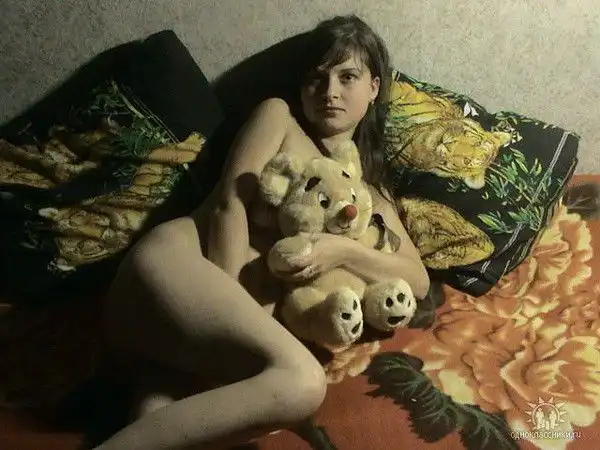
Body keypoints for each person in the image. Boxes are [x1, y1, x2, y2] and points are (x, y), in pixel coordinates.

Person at [96, 14, 430, 450]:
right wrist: (237, 320)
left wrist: (340, 251)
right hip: (175, 271)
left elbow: (417, 280)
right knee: (303, 383)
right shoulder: (280, 118)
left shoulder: (369, 194)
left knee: (158, 422)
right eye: (316, 78)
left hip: (181, 340)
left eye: (347, 77)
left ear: (374, 87)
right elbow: (228, 205)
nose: (329, 91)